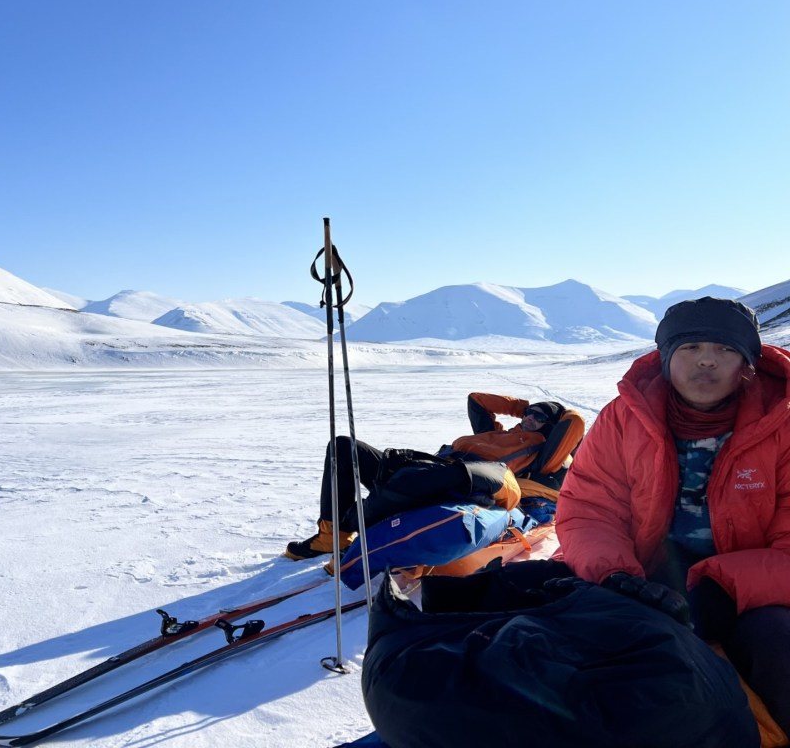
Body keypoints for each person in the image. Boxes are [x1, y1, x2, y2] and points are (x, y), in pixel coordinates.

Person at [555, 296, 790, 734]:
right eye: (690, 348)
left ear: (748, 363)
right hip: (640, 580)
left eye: (724, 349)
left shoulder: (784, 425)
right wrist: (614, 576)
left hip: (747, 594)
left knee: (779, 645)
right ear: (665, 358)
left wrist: (723, 588)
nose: (707, 362)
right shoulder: (623, 420)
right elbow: (588, 510)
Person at [285, 391, 585, 560]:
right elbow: (476, 400)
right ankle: (331, 535)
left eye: (539, 417)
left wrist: (556, 415)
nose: (531, 418)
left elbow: (574, 422)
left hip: (469, 479)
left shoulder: (545, 455)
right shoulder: (494, 434)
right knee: (343, 447)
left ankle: (358, 525)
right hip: (432, 467)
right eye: (529, 413)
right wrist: (521, 408)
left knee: (408, 482)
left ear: (551, 426)